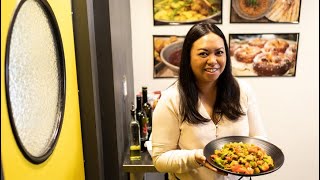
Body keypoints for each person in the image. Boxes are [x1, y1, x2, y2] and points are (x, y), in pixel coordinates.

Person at [151, 20, 267, 180]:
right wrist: (195, 157)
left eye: (219, 52)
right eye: (203, 53)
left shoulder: (243, 91)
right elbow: (160, 159)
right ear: (188, 58)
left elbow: (259, 138)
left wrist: (252, 156)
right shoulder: (171, 99)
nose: (213, 60)